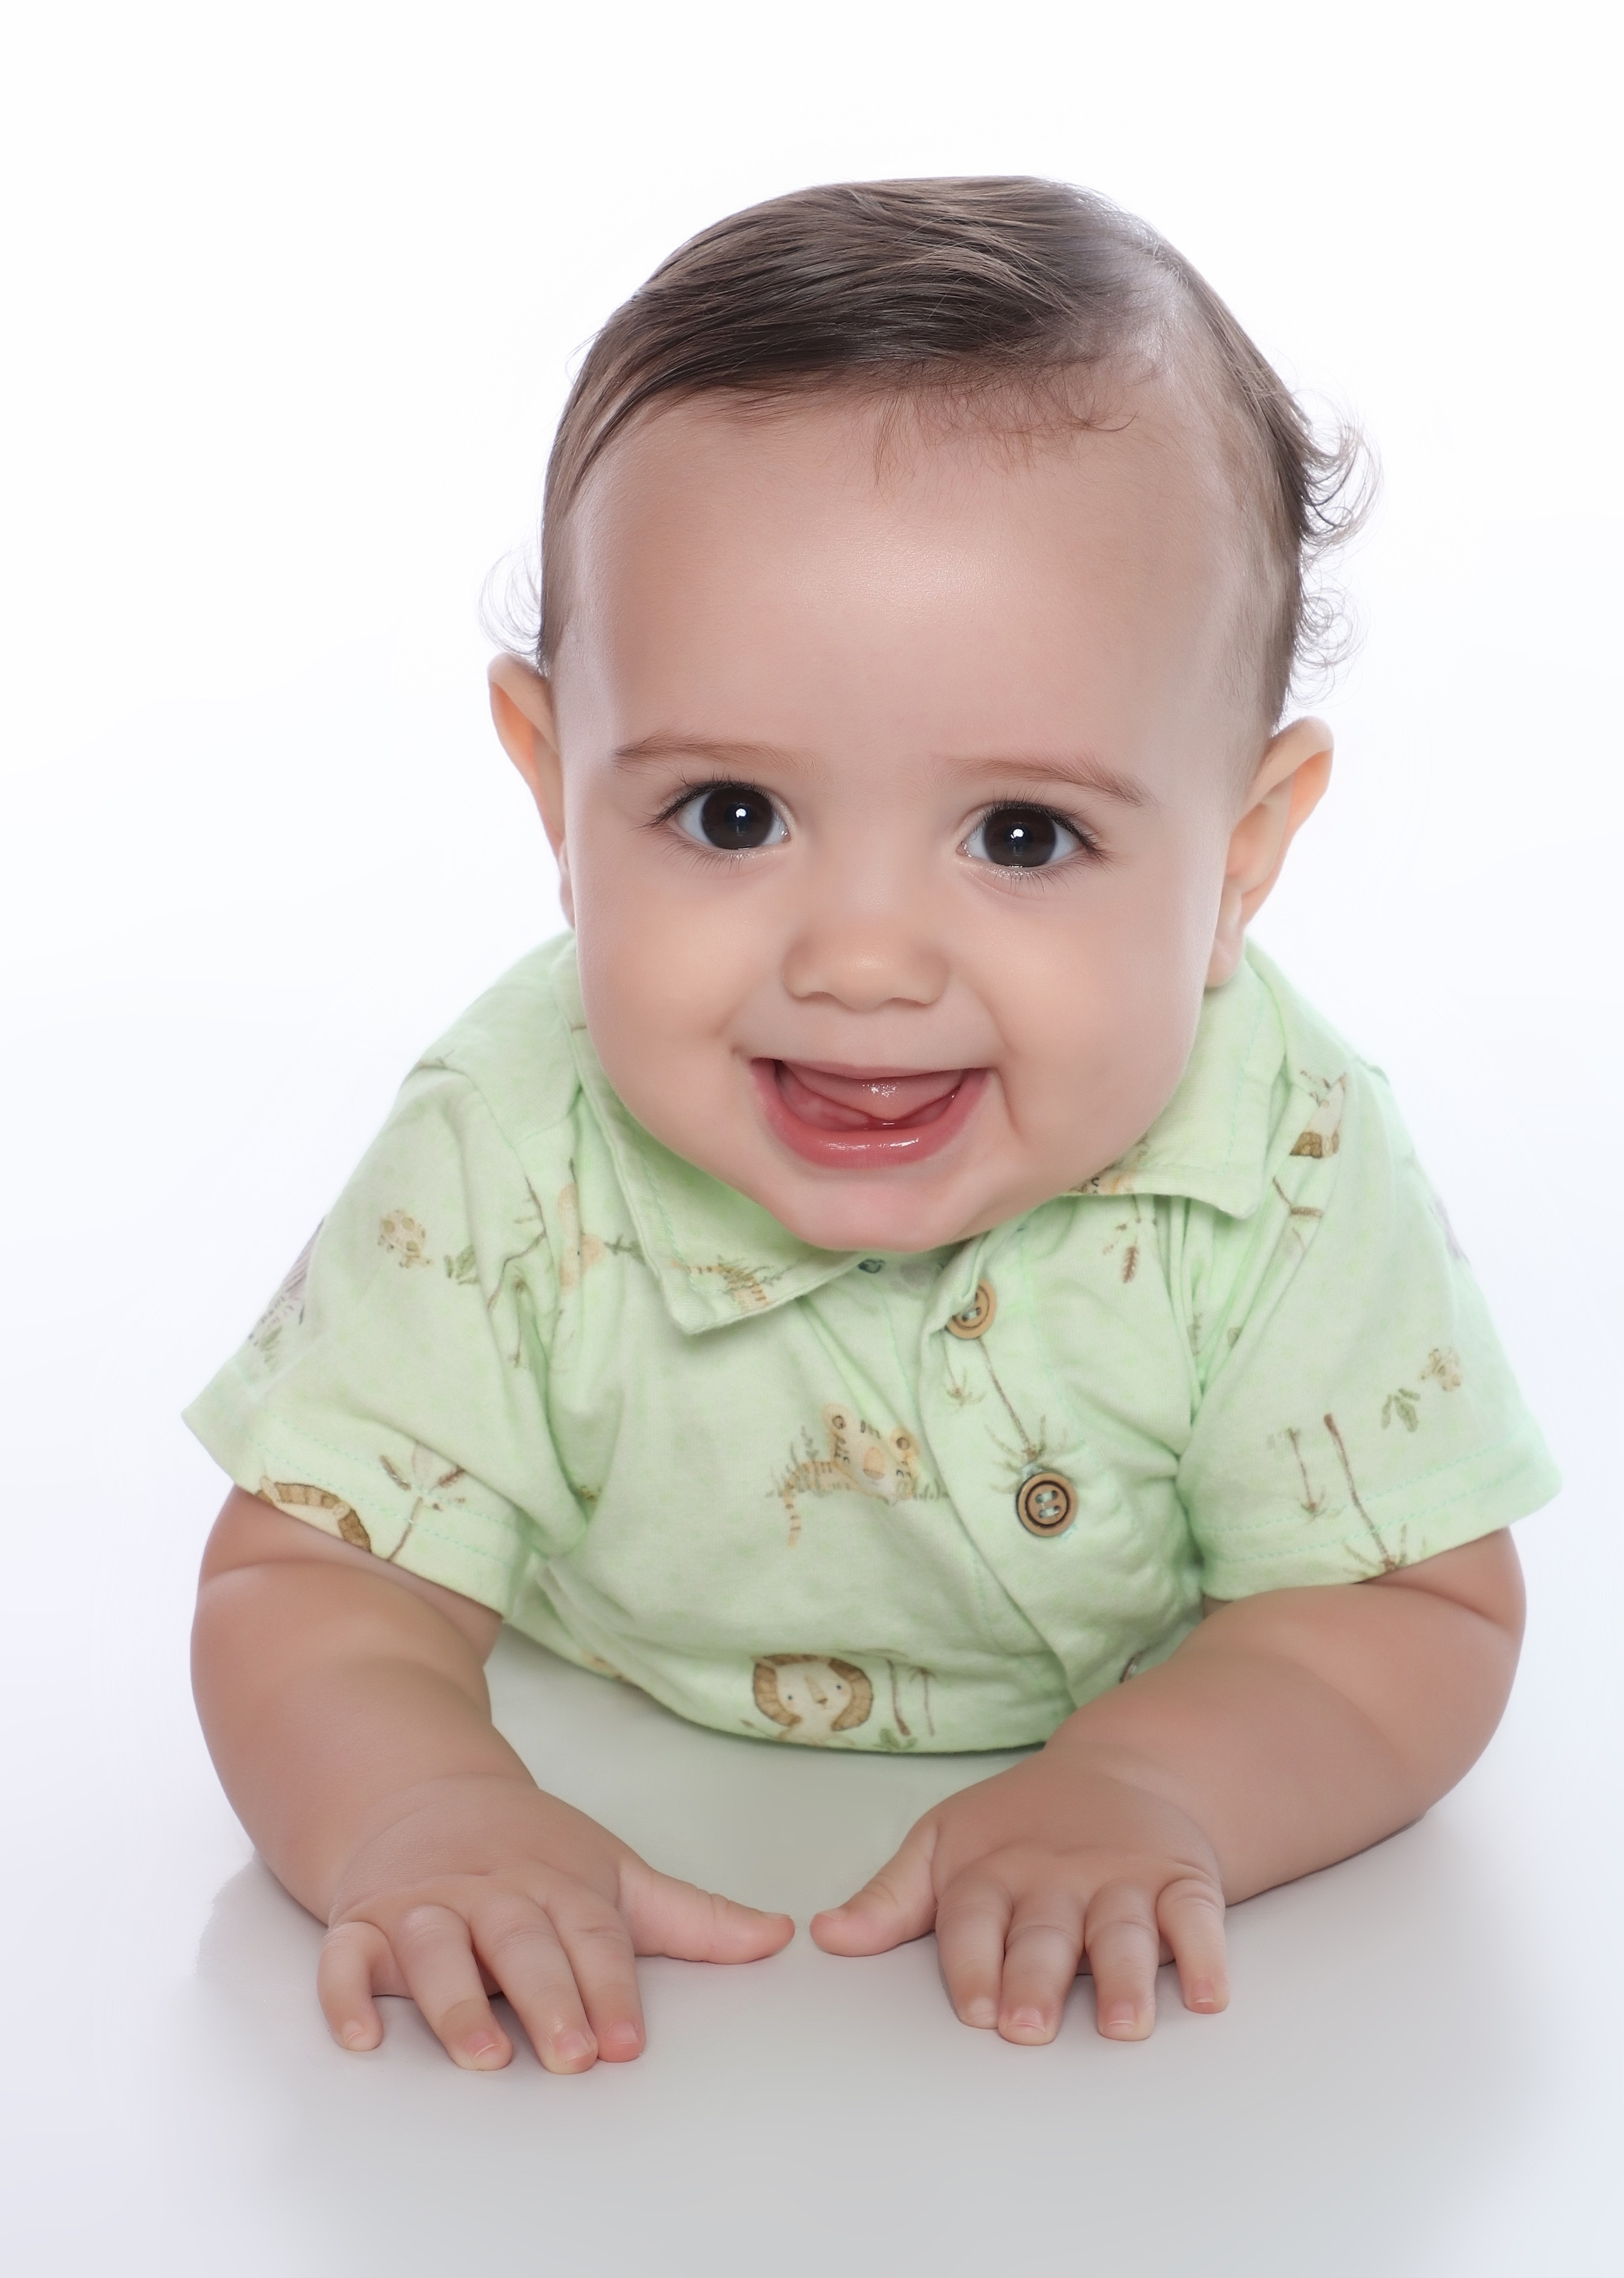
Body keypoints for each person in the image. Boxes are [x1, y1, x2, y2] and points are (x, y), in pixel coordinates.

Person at [188, 178, 1556, 2073]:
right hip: (615, 1726)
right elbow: (309, 1581)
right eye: (730, 814)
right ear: (553, 783)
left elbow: (1411, 1608)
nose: (857, 962)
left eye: (1023, 835)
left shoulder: (1283, 1155)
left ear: (1241, 855)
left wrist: (1161, 1783)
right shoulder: (511, 1143)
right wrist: (415, 1806)